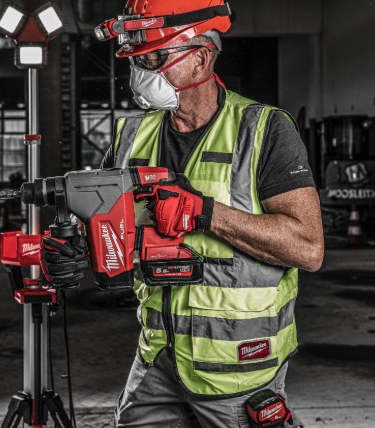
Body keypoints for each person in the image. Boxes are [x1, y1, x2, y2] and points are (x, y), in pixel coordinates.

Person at [42, 1, 324, 427]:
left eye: (155, 57)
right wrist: (72, 245)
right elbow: (99, 218)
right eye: (136, 60)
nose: (141, 72)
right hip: (158, 357)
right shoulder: (131, 134)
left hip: (239, 367)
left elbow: (308, 247)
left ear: (201, 58)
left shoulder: (264, 130)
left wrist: (205, 212)